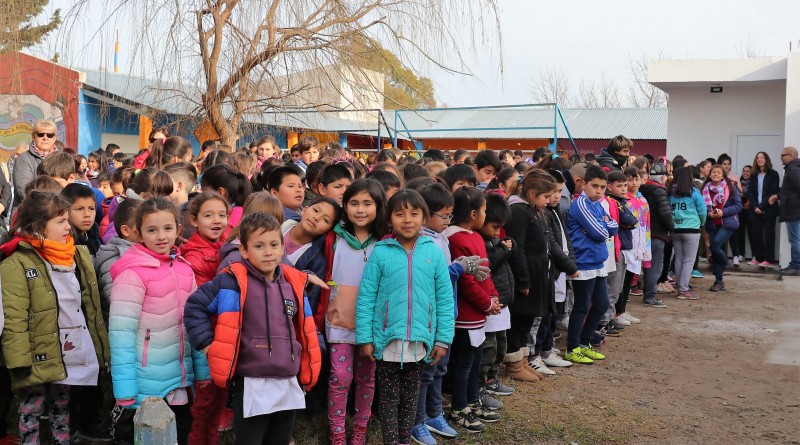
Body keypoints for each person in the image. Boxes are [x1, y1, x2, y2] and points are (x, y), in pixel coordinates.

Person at [184, 212, 322, 445]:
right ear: (244, 251)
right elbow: (194, 307)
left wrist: (311, 355)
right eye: (259, 246)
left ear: (282, 248)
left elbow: (305, 327)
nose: (268, 252)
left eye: (274, 245)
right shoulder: (232, 282)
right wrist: (208, 345)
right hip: (251, 381)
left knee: (280, 440)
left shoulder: (294, 284)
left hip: (288, 379)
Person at [1, 191, 109, 445]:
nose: (68, 226)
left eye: (66, 220)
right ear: (38, 228)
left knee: (62, 402)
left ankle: (62, 441)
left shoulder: (75, 256)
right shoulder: (16, 264)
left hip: (68, 349)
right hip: (36, 352)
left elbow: (89, 306)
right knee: (32, 406)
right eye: (60, 221)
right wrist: (19, 359)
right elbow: (14, 318)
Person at [355, 189, 455, 445]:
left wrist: (442, 339)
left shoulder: (434, 252)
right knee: (389, 399)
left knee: (411, 398)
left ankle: (404, 440)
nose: (407, 220)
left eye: (414, 213)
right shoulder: (380, 252)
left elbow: (445, 299)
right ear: (390, 219)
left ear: (424, 218)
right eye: (400, 214)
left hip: (421, 341)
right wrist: (365, 338)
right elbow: (366, 298)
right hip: (387, 340)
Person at [108, 197, 208, 444]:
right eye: (152, 230)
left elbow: (193, 325)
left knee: (181, 435)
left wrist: (202, 372)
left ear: (178, 229)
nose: (161, 236)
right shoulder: (132, 274)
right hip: (146, 383)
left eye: (167, 228)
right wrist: (125, 390)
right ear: (138, 233)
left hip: (180, 380)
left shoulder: (184, 269)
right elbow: (121, 334)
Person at [316, 179, 386, 445]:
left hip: (371, 325)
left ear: (379, 206)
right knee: (340, 377)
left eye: (367, 203)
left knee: (366, 378)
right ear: (344, 206)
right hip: (338, 320)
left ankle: (360, 430)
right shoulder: (334, 238)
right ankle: (337, 432)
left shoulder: (384, 242)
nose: (360, 209)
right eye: (354, 203)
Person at [444, 186, 502, 432]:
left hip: (479, 313)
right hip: (466, 314)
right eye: (484, 211)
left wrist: (493, 296)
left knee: (475, 360)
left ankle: (472, 400)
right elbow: (466, 282)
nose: (486, 215)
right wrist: (486, 303)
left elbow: (485, 272)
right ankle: (459, 408)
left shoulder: (475, 236)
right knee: (464, 362)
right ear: (473, 214)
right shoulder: (455, 239)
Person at [565, 165, 618, 364]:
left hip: (598, 261)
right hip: (583, 262)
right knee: (582, 306)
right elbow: (601, 232)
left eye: (602, 187)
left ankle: (585, 343)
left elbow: (614, 226)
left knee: (602, 304)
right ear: (584, 184)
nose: (599, 191)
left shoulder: (598, 204)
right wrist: (602, 227)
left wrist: (601, 226)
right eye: (594, 186)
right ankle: (572, 347)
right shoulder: (581, 204)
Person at [477, 193, 515, 408]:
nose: (497, 231)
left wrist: (508, 247)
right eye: (494, 226)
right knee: (488, 348)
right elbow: (488, 264)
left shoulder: (494, 239)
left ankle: (492, 378)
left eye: (501, 227)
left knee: (500, 345)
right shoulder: (479, 241)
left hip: (500, 302)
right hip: (489, 304)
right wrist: (502, 250)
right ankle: (481, 385)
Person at [703, 164, 743, 292]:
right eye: (713, 172)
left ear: (722, 176)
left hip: (728, 223)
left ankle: (726, 262)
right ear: (710, 175)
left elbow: (738, 206)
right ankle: (719, 282)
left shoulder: (730, 188)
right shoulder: (705, 189)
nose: (716, 174)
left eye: (718, 172)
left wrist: (723, 212)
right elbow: (700, 207)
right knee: (715, 251)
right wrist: (708, 214)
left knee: (714, 244)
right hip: (712, 223)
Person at [668, 167, 707, 300]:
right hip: (692, 229)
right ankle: (683, 290)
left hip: (675, 229)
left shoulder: (671, 193)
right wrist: (701, 223)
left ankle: (681, 287)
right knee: (689, 260)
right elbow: (702, 210)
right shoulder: (694, 191)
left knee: (679, 259)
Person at [639, 164, 672, 308]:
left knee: (647, 266)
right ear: (663, 177)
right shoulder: (660, 192)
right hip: (657, 234)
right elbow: (666, 214)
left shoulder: (642, 190)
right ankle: (650, 297)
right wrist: (672, 227)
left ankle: (647, 294)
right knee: (655, 267)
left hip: (643, 234)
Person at [13, 120, 59, 209]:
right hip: (29, 211)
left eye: (49, 135)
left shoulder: (61, 159)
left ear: (54, 138)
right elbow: (23, 191)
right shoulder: (23, 159)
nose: (45, 138)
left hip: (57, 210)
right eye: (41, 134)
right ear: (34, 137)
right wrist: (47, 206)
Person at [747, 152, 780, 266]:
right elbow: (750, 192)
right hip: (755, 209)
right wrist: (755, 207)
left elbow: (773, 191)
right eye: (758, 158)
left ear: (766, 159)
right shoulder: (753, 174)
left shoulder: (773, 174)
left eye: (762, 157)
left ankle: (769, 259)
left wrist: (761, 206)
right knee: (756, 234)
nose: (759, 159)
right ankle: (758, 258)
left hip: (769, 209)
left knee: (769, 235)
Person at [778, 146, 800, 275]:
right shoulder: (793, 168)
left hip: (793, 212)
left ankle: (796, 266)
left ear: (791, 156)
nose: (781, 157)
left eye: (783, 155)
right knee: (796, 239)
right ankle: (795, 265)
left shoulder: (793, 170)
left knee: (795, 240)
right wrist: (778, 195)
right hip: (794, 211)